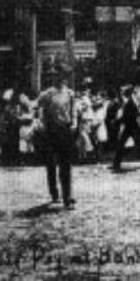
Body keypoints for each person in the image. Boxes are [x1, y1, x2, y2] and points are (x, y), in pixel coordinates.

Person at [36, 68, 77, 209]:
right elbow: (39, 109)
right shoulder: (47, 94)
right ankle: (54, 193)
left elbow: (73, 111)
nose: (61, 80)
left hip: (65, 130)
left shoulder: (70, 94)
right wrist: (41, 122)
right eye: (58, 77)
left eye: (63, 77)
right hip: (51, 131)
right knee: (51, 164)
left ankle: (67, 196)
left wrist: (74, 124)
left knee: (66, 165)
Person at [111, 86, 140, 172]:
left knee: (137, 144)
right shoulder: (130, 102)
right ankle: (116, 162)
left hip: (131, 127)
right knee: (138, 144)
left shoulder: (130, 103)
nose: (122, 94)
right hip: (131, 127)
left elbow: (126, 116)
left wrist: (117, 121)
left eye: (124, 92)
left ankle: (116, 163)